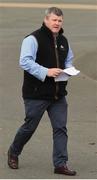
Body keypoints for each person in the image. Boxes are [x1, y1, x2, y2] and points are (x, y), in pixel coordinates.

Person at [8, 7, 77, 176]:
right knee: (29, 127)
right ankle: (14, 152)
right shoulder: (32, 39)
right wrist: (45, 71)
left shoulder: (64, 40)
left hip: (58, 95)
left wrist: (69, 70)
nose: (57, 23)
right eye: (54, 20)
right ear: (46, 20)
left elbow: (68, 60)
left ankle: (60, 164)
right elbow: (24, 61)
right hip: (36, 93)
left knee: (60, 128)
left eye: (59, 20)